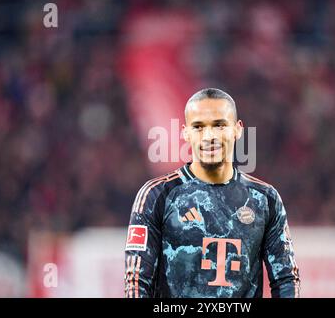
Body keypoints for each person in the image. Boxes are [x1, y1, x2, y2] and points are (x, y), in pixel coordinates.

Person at [124, 88, 300, 298]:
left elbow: (286, 279)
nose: (209, 136)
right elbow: (136, 282)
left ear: (238, 129)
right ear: (185, 133)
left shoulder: (264, 199)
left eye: (219, 125)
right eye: (198, 127)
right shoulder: (156, 196)